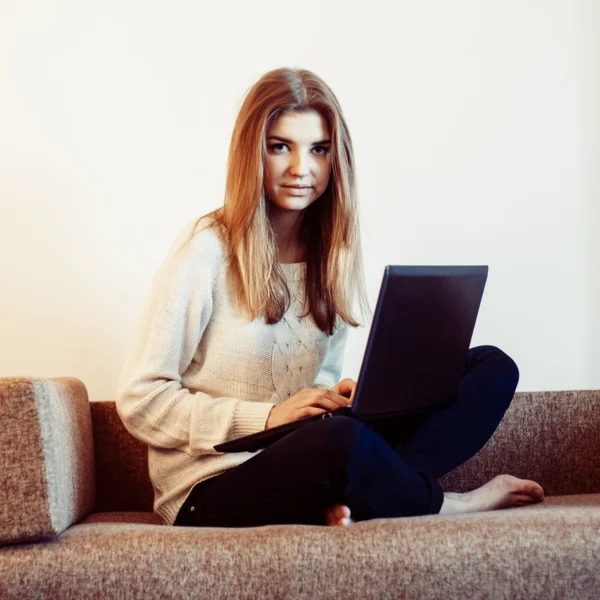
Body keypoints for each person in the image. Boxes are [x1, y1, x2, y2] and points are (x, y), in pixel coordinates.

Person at [116, 67, 545, 529]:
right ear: (251, 153)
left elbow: (313, 393)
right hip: (209, 490)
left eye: (318, 149)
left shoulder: (332, 256)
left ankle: (366, 491)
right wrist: (267, 417)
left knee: (491, 368)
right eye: (280, 146)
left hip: (304, 457)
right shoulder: (205, 249)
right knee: (341, 443)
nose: (301, 168)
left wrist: (332, 398)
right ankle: (444, 503)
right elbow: (140, 399)